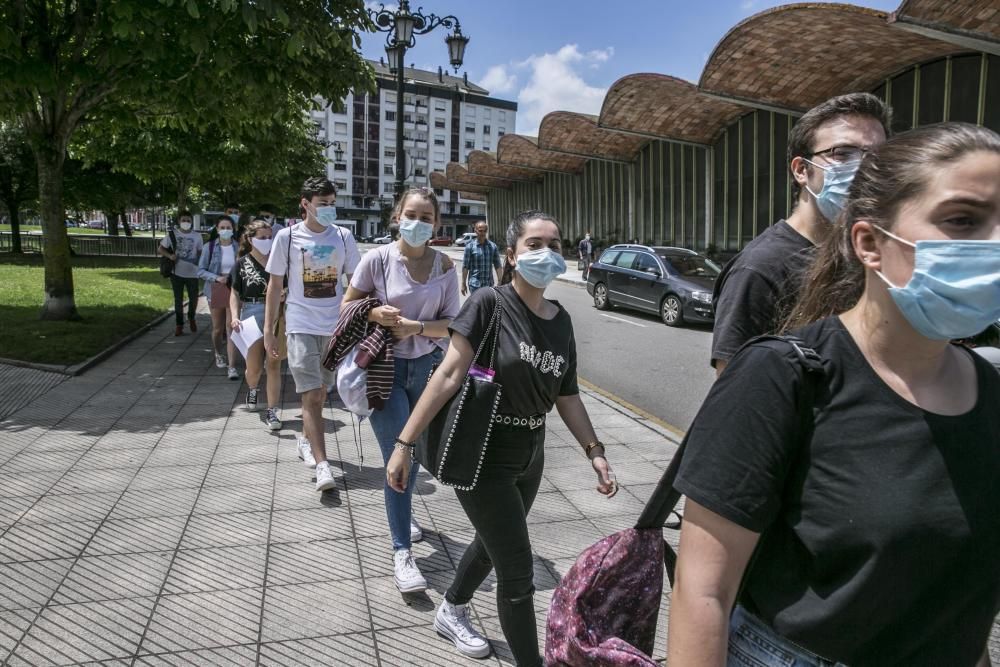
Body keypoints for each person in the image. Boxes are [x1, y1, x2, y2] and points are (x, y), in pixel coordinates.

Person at [668, 123, 1000, 667]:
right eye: (962, 220)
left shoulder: (989, 391)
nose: (992, 244)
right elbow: (703, 592)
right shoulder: (783, 375)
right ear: (869, 242)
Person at [386, 210, 618, 666]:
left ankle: (451, 609)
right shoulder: (490, 303)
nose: (547, 253)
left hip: (531, 453)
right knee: (517, 572)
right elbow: (449, 374)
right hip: (484, 451)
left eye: (554, 244)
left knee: (492, 545)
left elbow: (567, 394)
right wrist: (403, 444)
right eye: (535, 245)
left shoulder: (561, 320)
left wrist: (595, 452)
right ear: (511, 255)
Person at [711, 92, 891, 376]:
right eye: (842, 153)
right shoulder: (760, 269)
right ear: (802, 170)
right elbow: (735, 395)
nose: (865, 167)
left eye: (878, 156)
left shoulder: (867, 253)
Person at [342, 187, 461, 594]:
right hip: (384, 371)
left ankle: (403, 512)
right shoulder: (377, 260)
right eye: (412, 214)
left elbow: (452, 324)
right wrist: (374, 311)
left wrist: (416, 329)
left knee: (415, 457)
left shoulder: (445, 266)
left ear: (437, 224)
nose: (418, 222)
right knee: (400, 455)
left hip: (426, 371)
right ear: (397, 216)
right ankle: (401, 552)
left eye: (427, 217)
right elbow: (347, 305)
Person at [264, 177, 361, 492]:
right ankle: (323, 466)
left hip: (335, 327)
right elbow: (275, 286)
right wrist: (269, 330)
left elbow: (355, 284)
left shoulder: (344, 237)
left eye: (333, 203)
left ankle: (306, 440)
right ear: (305, 204)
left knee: (322, 393)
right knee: (311, 395)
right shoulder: (287, 237)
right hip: (301, 324)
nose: (330, 209)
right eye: (323, 204)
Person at [229, 218, 284, 431]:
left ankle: (272, 410)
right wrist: (235, 316)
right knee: (253, 368)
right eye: (262, 238)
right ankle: (252, 388)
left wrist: (284, 295)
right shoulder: (241, 264)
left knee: (273, 364)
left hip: (276, 315)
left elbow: (287, 287)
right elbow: (234, 292)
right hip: (251, 314)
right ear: (251, 240)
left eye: (270, 237)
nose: (267, 241)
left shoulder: (278, 263)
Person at [198, 215, 239, 380]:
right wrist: (216, 277)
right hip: (216, 288)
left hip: (233, 289)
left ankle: (232, 366)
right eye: (222, 228)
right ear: (217, 229)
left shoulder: (238, 247)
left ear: (233, 229)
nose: (225, 231)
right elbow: (200, 270)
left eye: (228, 227)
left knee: (231, 327)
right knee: (217, 328)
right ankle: (217, 352)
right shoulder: (210, 247)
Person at [158, 210, 203, 336]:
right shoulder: (172, 235)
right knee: (178, 300)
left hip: (193, 273)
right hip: (176, 272)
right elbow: (160, 249)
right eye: (183, 220)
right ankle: (179, 324)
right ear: (179, 221)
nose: (186, 223)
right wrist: (170, 255)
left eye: (188, 220)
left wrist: (200, 264)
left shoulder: (197, 236)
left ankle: (191, 317)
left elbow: (200, 252)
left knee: (194, 298)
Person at [461, 220, 502, 295]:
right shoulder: (469, 246)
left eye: (484, 231)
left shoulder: (492, 246)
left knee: (488, 306)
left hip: (489, 285)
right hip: (474, 285)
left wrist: (500, 281)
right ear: (475, 231)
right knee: (477, 306)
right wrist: (463, 283)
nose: (482, 233)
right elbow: (465, 266)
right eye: (480, 231)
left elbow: (498, 265)